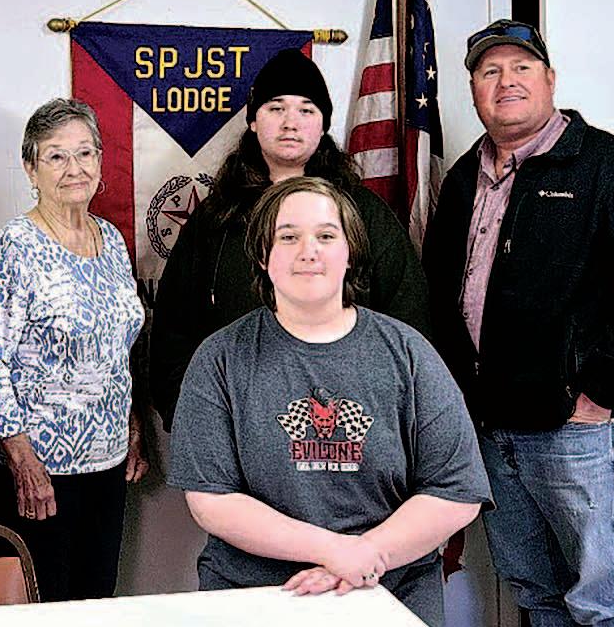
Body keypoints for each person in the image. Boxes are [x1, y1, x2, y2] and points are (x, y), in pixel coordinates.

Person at [420, 20, 614, 627]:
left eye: (521, 67)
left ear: (549, 79)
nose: (505, 81)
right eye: (488, 71)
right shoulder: (463, 179)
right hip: (493, 433)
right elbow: (443, 297)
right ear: (472, 89)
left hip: (579, 432)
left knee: (609, 604)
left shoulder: (611, 169)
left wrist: (596, 392)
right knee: (542, 602)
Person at [167, 177, 487, 627]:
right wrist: (334, 552)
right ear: (263, 255)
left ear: (350, 252)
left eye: (326, 235)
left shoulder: (409, 353)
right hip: (257, 598)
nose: (308, 251)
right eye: (288, 237)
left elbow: (455, 491)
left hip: (389, 595)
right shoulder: (220, 358)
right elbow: (211, 500)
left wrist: (365, 556)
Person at [151, 48, 430, 431]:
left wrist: (382, 426)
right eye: (276, 108)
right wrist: (195, 423)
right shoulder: (216, 218)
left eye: (306, 110)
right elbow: (173, 333)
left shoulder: (364, 215)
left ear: (323, 124)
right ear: (253, 121)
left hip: (340, 431)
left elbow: (408, 326)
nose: (290, 123)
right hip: (235, 426)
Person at [0, 99, 147, 602]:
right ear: (31, 169)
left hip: (108, 464)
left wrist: (131, 421)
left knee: (96, 603)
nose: (75, 168)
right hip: (41, 470)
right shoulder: (15, 247)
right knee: (45, 614)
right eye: (56, 156)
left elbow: (117, 346)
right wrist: (19, 455)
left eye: (85, 153)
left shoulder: (110, 239)